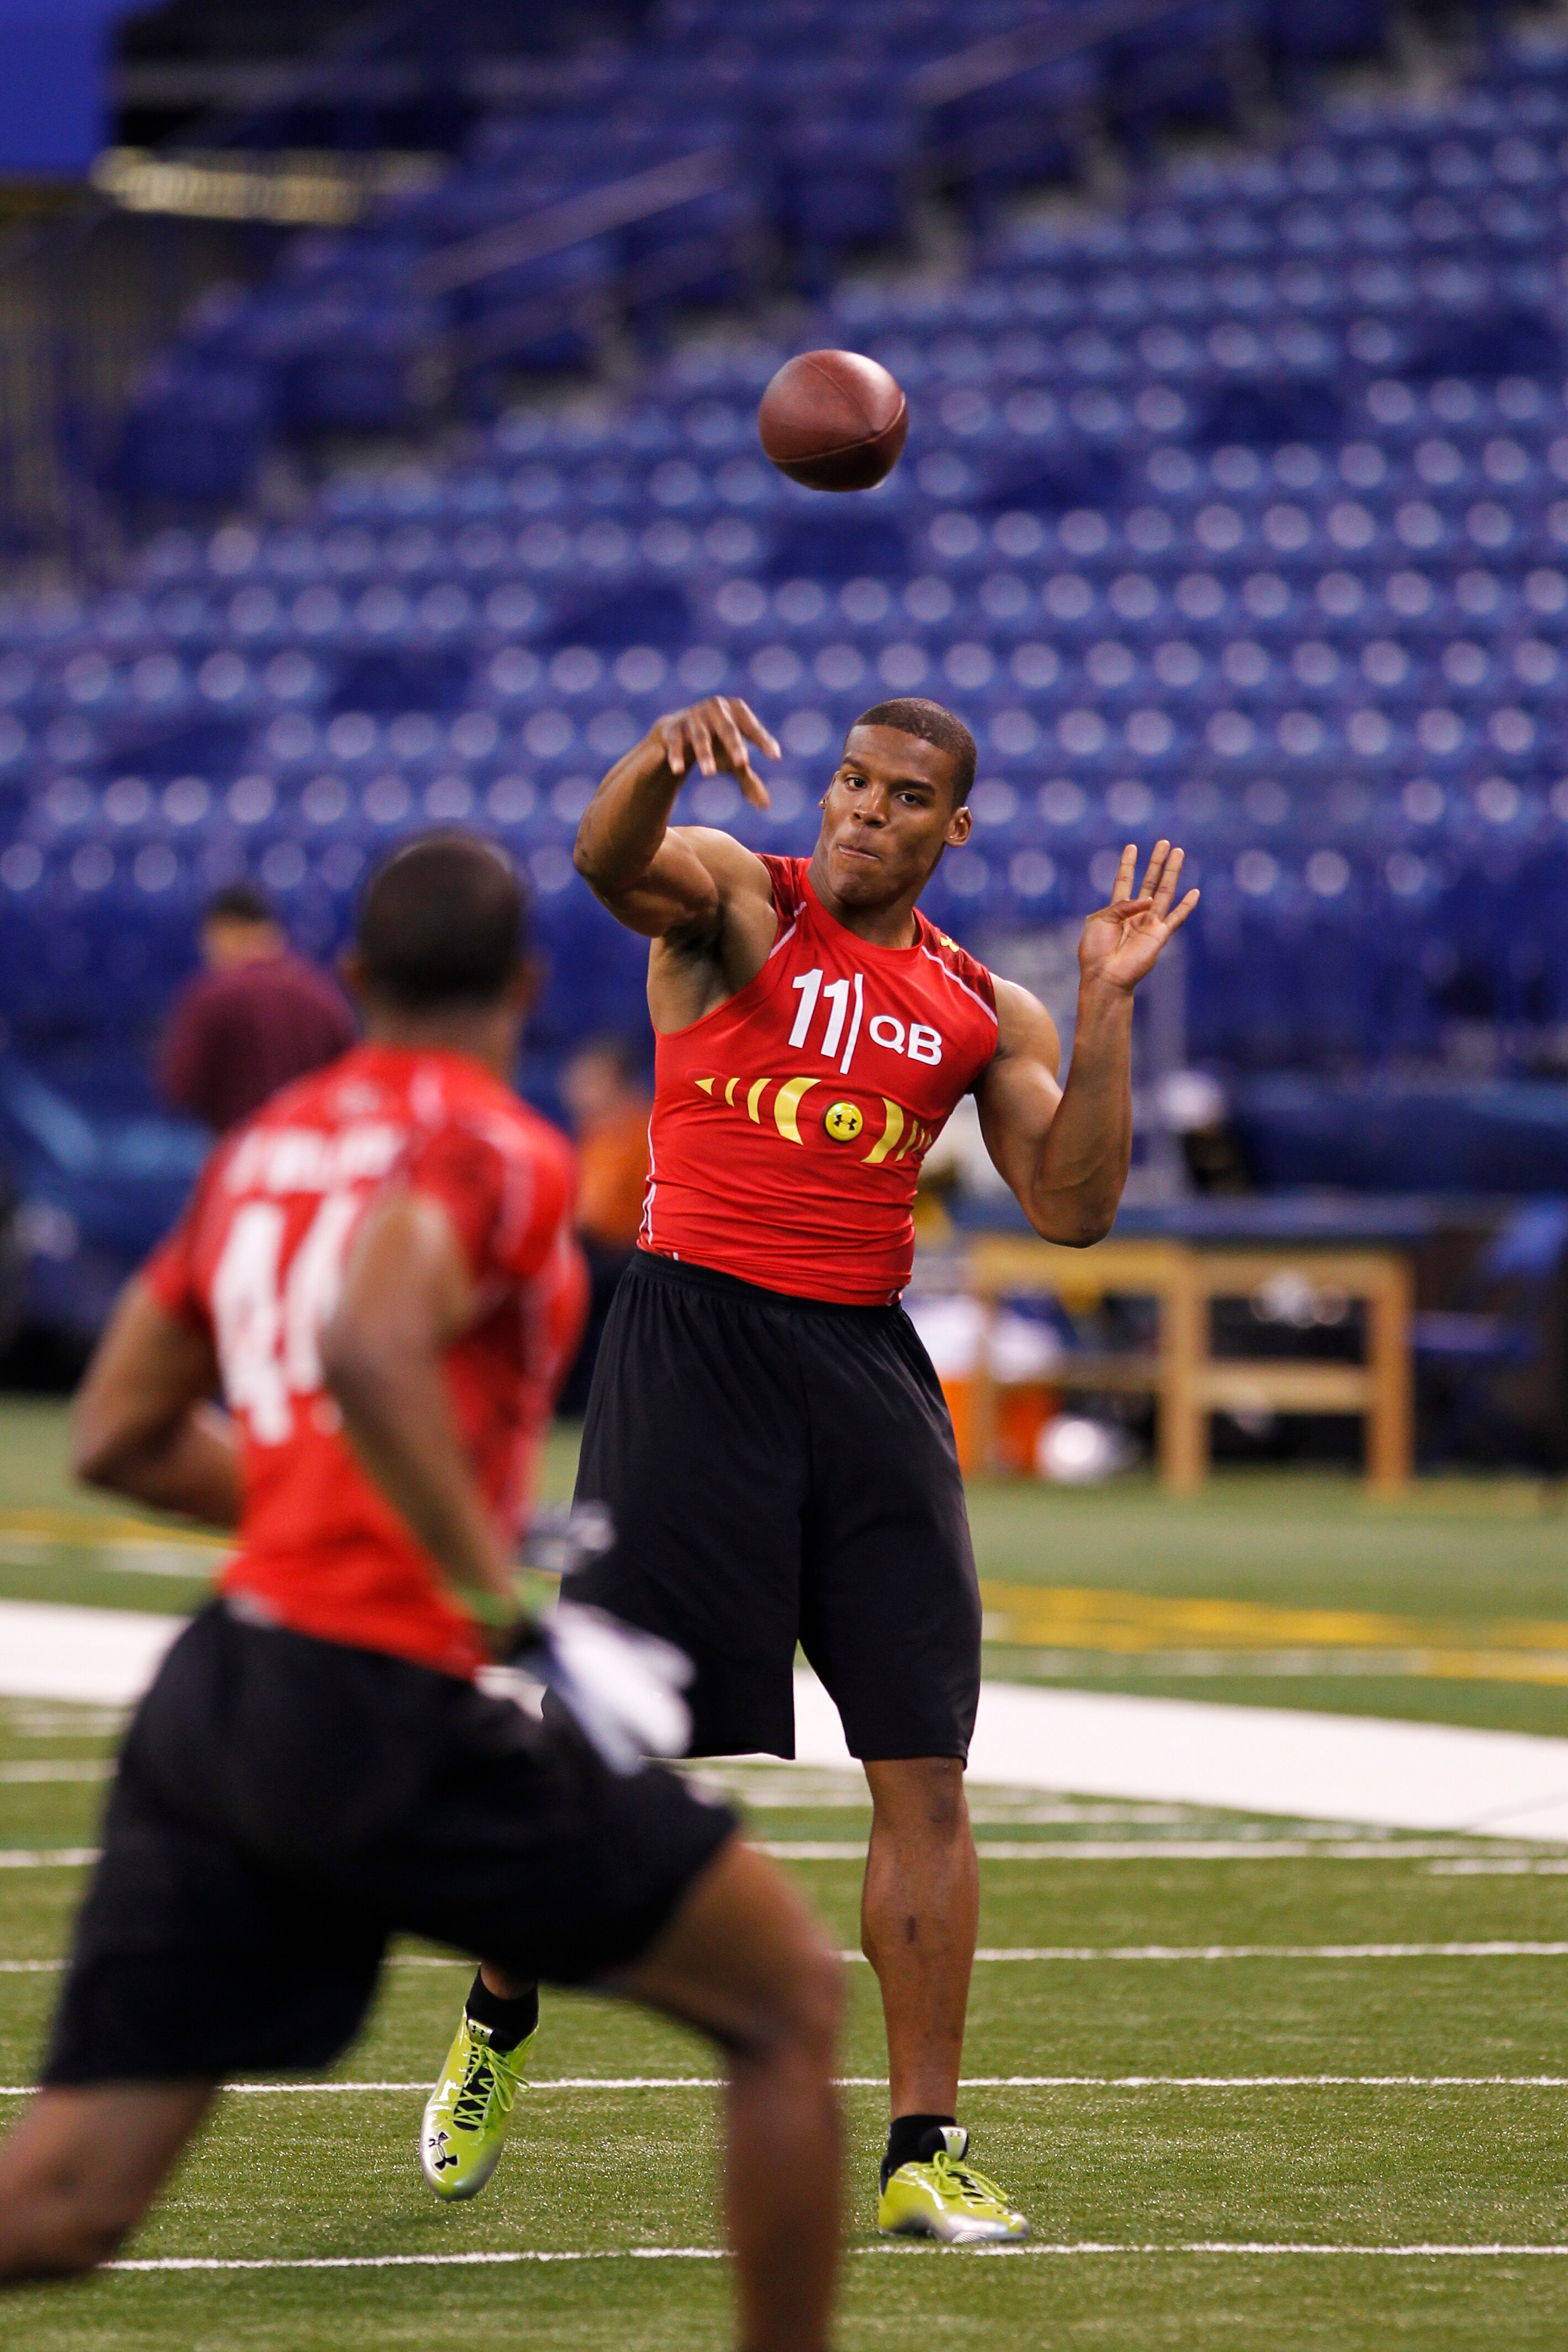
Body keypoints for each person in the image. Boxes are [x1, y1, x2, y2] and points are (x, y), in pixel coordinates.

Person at [0, 834, 844, 2352]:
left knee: (63, 2206)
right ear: (523, 984)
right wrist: (496, 1595)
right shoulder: (493, 1141)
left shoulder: (264, 1147)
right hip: (377, 1693)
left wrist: (345, 1499)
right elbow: (375, 1343)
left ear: (350, 981)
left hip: (225, 1686)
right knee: (783, 2000)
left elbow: (118, 1433)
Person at [432, 694, 1198, 2245]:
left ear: (949, 830)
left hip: (861, 1366)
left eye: (902, 797)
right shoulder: (730, 899)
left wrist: (1106, 1007)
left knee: (921, 1760)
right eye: (849, 782)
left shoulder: (984, 1007)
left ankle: (923, 2142)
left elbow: (1068, 1209)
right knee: (600, 1751)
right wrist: (653, 758)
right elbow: (602, 864)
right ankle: (497, 2016)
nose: (861, 810)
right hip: (689, 1344)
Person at [160, 882, 356, 1133]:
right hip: (312, 1155)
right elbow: (350, 1078)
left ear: (225, 930)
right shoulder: (323, 993)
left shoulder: (211, 996)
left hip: (239, 1153)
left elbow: (180, 1087)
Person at [556, 1034, 653, 1416]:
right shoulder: (595, 1132)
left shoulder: (630, 1131)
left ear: (618, 1082)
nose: (576, 1088)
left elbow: (593, 1217)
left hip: (625, 1256)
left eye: (590, 1079)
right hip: (602, 1253)